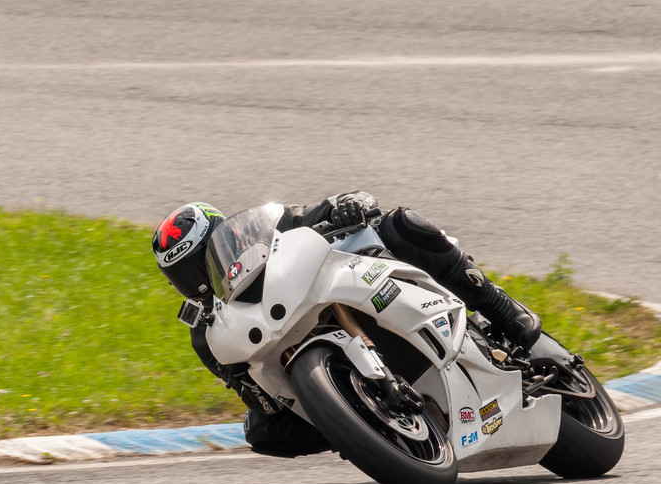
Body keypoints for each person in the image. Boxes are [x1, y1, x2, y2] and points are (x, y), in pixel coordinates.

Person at [151, 193, 542, 458]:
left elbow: (330, 206)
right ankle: (365, 428)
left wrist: (351, 206)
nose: (197, 277)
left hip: (347, 284)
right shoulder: (207, 332)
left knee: (400, 224)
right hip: (295, 355)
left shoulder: (267, 231)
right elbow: (252, 393)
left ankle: (500, 306)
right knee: (260, 430)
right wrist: (253, 390)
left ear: (226, 237)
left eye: (201, 260)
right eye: (183, 273)